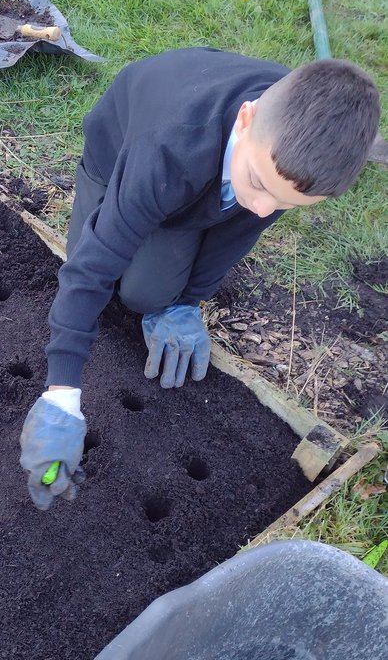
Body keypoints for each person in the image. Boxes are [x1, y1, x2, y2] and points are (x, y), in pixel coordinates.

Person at [20, 47, 381, 510]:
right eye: (260, 184)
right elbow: (91, 267)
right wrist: (61, 395)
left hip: (202, 169)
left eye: (286, 204)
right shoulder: (168, 150)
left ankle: (193, 223)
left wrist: (188, 301)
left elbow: (239, 230)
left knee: (148, 294)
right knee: (97, 263)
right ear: (246, 120)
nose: (266, 209)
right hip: (120, 152)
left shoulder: (283, 153)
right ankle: (168, 207)